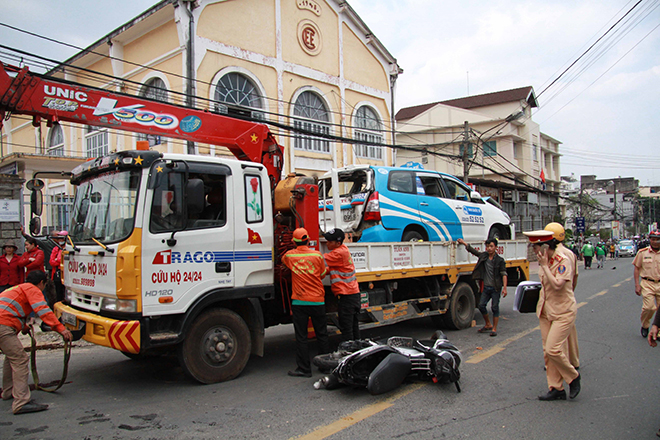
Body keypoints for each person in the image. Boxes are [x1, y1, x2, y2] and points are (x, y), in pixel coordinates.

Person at [0, 270, 73, 414]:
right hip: (3, 326)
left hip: (4, 323)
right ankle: (21, 402)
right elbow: (42, 309)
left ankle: (8, 392)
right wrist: (61, 329)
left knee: (12, 357)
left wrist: (24, 326)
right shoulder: (32, 289)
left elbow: (11, 311)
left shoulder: (18, 288)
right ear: (41, 283)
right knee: (20, 360)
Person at [523, 228, 581, 401]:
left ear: (544, 247)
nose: (533, 251)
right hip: (546, 311)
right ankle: (556, 388)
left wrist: (545, 266)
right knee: (547, 353)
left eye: (535, 247)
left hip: (563, 312)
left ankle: (573, 377)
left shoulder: (562, 261)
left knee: (553, 349)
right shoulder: (546, 261)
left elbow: (557, 285)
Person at [282, 228, 329, 377]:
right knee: (322, 334)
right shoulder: (317, 255)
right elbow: (321, 275)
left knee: (301, 337)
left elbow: (283, 261)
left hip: (300, 302)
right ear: (308, 240)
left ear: (294, 242)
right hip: (317, 301)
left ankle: (304, 369)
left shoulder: (290, 256)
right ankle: (325, 366)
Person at [544, 223, 580, 370]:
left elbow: (555, 283)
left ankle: (561, 365)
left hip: (556, 300)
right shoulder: (570, 253)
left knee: (556, 338)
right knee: (570, 331)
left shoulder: (555, 255)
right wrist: (570, 292)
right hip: (567, 298)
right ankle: (574, 361)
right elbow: (575, 277)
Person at [457, 238, 507, 337]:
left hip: (496, 288)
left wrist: (504, 288)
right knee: (481, 305)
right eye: (487, 246)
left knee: (494, 307)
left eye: (491, 246)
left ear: (496, 247)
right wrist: (463, 243)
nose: (489, 248)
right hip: (486, 287)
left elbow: (504, 274)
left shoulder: (500, 261)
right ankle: (488, 324)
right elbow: (474, 251)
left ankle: (494, 328)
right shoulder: (484, 256)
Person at [322, 228, 361, 342]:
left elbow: (318, 260)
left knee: (347, 328)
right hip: (352, 294)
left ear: (338, 243)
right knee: (353, 327)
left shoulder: (338, 253)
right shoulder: (343, 249)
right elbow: (334, 268)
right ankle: (357, 350)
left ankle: (349, 353)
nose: (327, 243)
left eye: (330, 241)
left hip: (347, 296)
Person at [633, 230, 660, 338]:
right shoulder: (642, 253)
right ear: (650, 240)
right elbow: (636, 268)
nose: (655, 242)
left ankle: (658, 331)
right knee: (649, 308)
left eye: (658, 240)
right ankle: (645, 325)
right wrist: (637, 285)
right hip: (647, 283)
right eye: (653, 239)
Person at [48, 231, 67, 305]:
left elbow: (64, 260)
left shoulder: (68, 248)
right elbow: (51, 261)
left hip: (66, 273)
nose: (60, 241)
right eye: (58, 239)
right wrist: (58, 260)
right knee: (58, 292)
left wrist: (57, 260)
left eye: (61, 239)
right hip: (57, 273)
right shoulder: (56, 248)